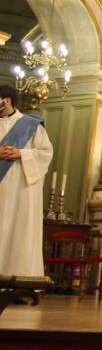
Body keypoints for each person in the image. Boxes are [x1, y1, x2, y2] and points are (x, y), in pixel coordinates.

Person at [0, 85, 53, 276]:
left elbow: (45, 153)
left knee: (19, 233)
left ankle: (18, 283)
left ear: (6, 100)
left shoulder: (31, 125)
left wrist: (21, 153)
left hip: (20, 189)